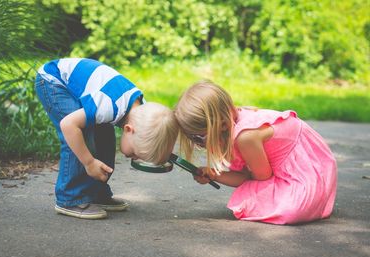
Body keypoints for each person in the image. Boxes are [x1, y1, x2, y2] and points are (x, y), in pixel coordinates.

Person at [174, 80, 337, 225]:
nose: (197, 144)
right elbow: (247, 176)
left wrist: (219, 175)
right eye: (191, 138)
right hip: (300, 167)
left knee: (285, 208)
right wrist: (214, 174)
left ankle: (311, 202)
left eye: (199, 137)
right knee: (252, 196)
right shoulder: (233, 122)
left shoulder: (246, 137)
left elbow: (260, 178)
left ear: (222, 125)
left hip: (307, 173)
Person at [35, 58, 179, 219]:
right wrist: (89, 162)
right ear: (128, 129)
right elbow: (68, 125)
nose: (135, 157)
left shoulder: (142, 112)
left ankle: (95, 192)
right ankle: (70, 198)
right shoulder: (109, 105)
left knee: (105, 138)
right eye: (135, 153)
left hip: (88, 89)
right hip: (53, 81)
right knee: (79, 134)